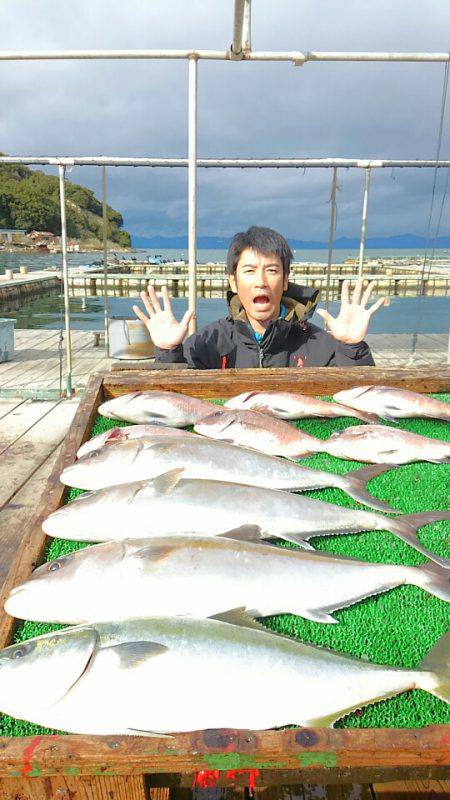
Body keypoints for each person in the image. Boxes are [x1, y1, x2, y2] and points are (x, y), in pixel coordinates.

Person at [132, 226, 385, 369]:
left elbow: (359, 400)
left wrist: (352, 347)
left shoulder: (320, 345)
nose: (261, 281)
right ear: (233, 281)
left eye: (272, 270)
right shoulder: (207, 343)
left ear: (285, 281)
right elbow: (172, 403)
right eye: (250, 271)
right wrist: (168, 351)